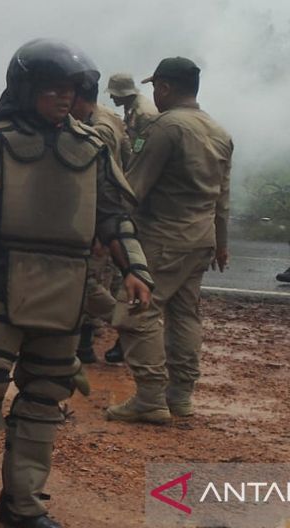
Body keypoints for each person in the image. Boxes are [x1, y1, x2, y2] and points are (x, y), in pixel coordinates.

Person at [0, 39, 153, 528]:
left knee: (45, 399)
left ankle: (23, 503)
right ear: (26, 90)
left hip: (65, 292)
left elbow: (114, 217)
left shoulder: (92, 147)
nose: (64, 98)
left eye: (70, 89)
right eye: (52, 90)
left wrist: (135, 269)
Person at [108, 57, 233, 424]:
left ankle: (149, 396)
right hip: (201, 239)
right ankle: (180, 395)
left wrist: (106, 225)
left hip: (163, 239)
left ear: (164, 87)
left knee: (133, 312)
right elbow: (222, 199)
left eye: (155, 88)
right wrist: (221, 244)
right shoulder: (218, 131)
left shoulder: (165, 127)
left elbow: (134, 188)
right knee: (184, 316)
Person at [70, 79, 131, 363]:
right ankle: (83, 346)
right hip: (110, 212)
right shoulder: (110, 117)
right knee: (96, 281)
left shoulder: (98, 129)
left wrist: (97, 230)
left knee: (88, 283)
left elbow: (95, 182)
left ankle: (133, 330)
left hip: (100, 215)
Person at [107, 73, 158, 150]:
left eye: (113, 93)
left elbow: (145, 144)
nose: (111, 97)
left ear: (123, 94)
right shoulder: (130, 106)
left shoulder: (144, 113)